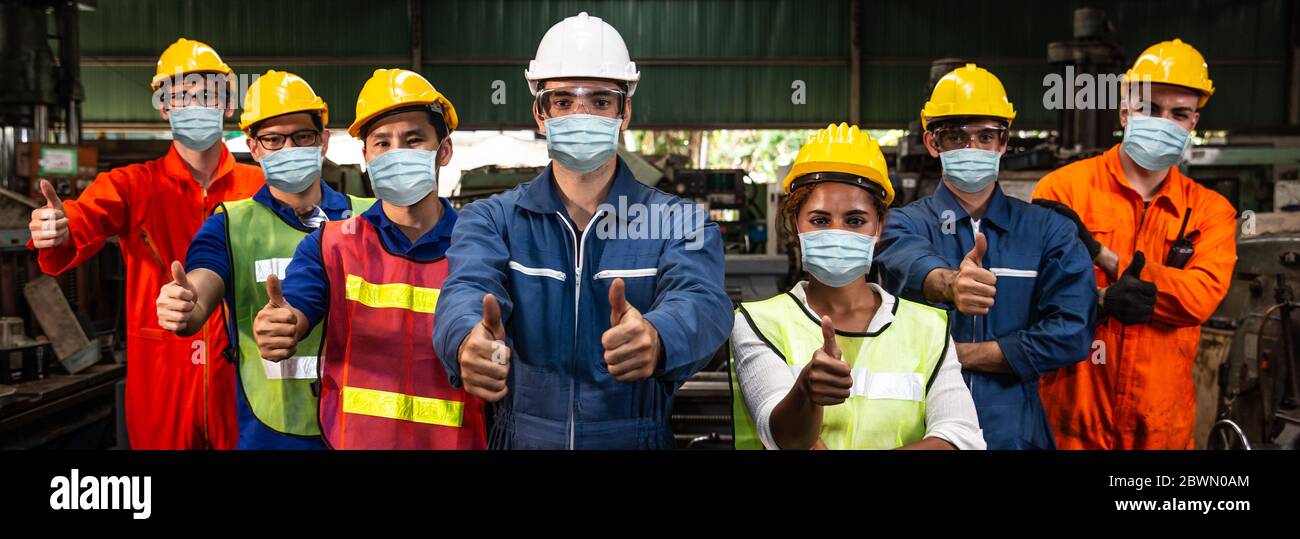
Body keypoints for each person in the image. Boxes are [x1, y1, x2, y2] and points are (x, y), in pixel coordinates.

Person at [431, 12, 731, 449]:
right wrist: (467, 338)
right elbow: (465, 288)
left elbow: (703, 301)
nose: (582, 113)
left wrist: (659, 334)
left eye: (600, 100)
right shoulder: (492, 219)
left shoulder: (679, 222)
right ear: (540, 113)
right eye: (564, 100)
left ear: (624, 112)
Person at [27, 38, 263, 449]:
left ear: (227, 104)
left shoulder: (260, 187)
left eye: (205, 94)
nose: (192, 105)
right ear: (164, 108)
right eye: (179, 96)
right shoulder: (131, 186)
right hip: (162, 376)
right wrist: (58, 226)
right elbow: (83, 217)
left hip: (243, 377)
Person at [251, 68, 485, 449]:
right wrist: (281, 324)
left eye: (413, 140)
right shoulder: (330, 245)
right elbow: (295, 307)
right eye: (382, 143)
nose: (397, 154)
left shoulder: (479, 246)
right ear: (366, 156)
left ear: (444, 150)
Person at [876, 64, 1097, 449]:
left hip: (1016, 433)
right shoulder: (902, 225)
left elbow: (1072, 332)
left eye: (985, 136)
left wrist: (961, 355)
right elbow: (907, 264)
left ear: (1003, 142)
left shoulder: (1048, 231)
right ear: (932, 143)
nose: (973, 148)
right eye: (956, 137)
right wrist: (948, 284)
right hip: (919, 432)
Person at [1031, 39, 1237, 449]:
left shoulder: (1211, 211)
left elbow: (1198, 298)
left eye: (1179, 113)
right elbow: (1036, 296)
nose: (1163, 121)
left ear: (1193, 123)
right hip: (1071, 417)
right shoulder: (1063, 189)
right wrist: (1105, 301)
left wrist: (1102, 257)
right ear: (1125, 111)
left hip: (1160, 427)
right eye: (1149, 109)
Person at [731, 123, 984, 450]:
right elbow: (783, 436)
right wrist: (805, 392)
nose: (838, 232)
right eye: (820, 220)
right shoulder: (757, 323)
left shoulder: (929, 328)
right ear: (796, 225)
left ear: (879, 227)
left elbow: (959, 436)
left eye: (855, 220)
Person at [155, 70, 374, 449]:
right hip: (273, 433)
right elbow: (202, 288)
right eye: (273, 139)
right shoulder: (229, 226)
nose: (288, 147)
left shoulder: (370, 219)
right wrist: (185, 307)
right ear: (254, 147)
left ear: (322, 141)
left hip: (364, 427)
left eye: (302, 136)